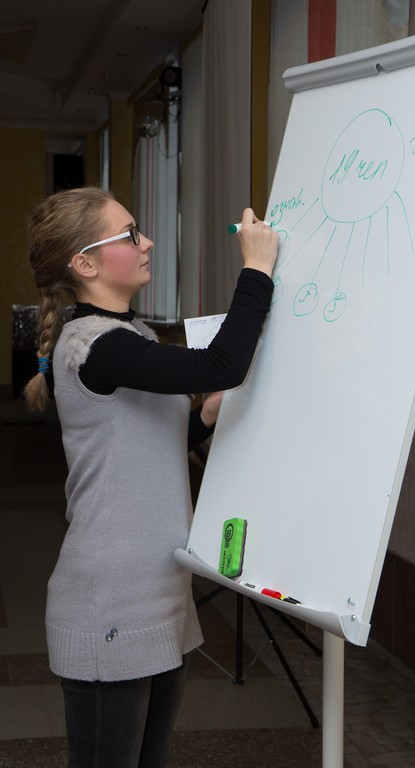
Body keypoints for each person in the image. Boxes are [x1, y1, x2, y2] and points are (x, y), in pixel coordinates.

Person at [23, 186, 278, 768]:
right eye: (130, 234)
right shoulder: (93, 345)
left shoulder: (133, 336)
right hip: (110, 600)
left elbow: (148, 448)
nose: (149, 242)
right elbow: (222, 363)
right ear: (85, 264)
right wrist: (257, 269)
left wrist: (203, 418)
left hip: (159, 593)